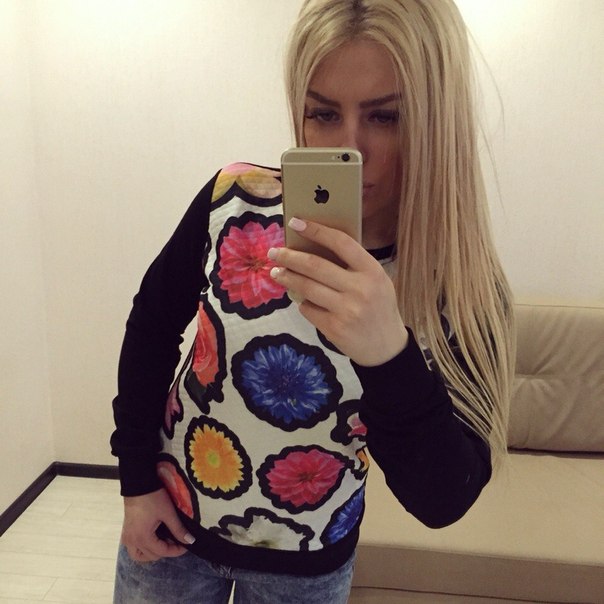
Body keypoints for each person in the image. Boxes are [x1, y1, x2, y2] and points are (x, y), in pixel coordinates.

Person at [110, 0, 515, 602]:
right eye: (323, 113)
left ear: (438, 120)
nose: (351, 148)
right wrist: (136, 480)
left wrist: (389, 354)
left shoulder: (457, 283)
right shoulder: (234, 202)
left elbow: (441, 500)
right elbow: (150, 326)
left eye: (387, 117)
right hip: (171, 525)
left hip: (308, 561)